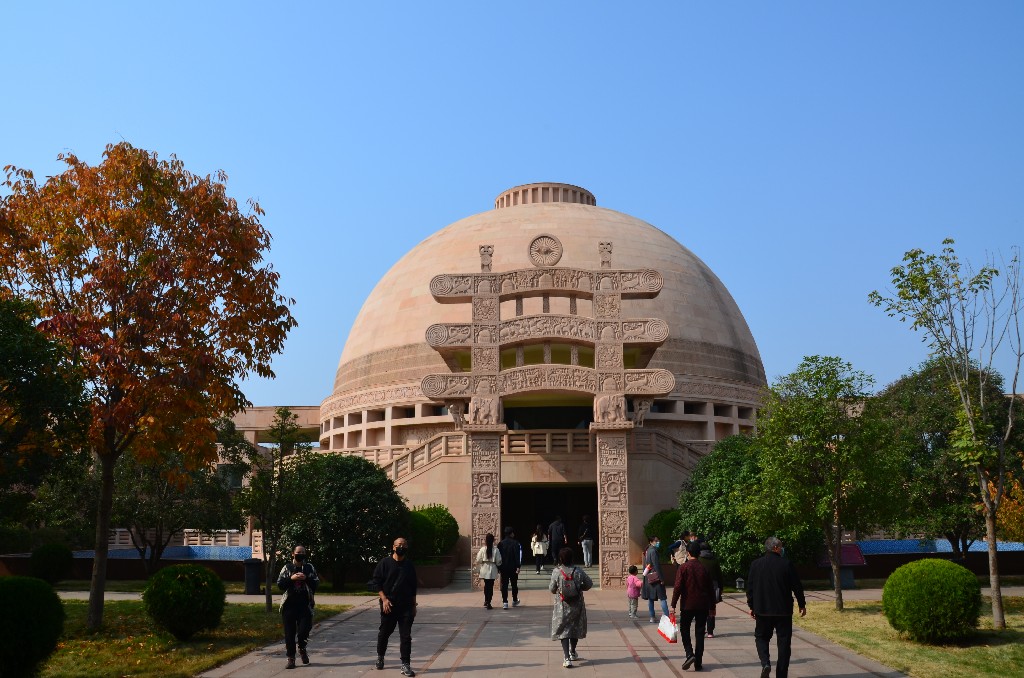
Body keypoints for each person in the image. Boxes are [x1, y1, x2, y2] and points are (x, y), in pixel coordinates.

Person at [746, 536, 806, 678]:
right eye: (781, 546)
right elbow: (797, 586)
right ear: (775, 548)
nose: (782, 548)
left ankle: (765, 663)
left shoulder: (756, 565)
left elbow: (750, 588)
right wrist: (802, 604)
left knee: (761, 637)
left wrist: (752, 605)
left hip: (762, 609)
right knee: (784, 643)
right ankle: (781, 674)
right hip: (783, 610)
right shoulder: (786, 564)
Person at [371, 536, 418, 677]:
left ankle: (405, 664)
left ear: (407, 548)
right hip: (389, 605)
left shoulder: (409, 566)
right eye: (399, 545)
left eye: (404, 545)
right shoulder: (384, 563)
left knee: (406, 636)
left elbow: (413, 586)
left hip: (406, 606)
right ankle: (380, 656)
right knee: (384, 633)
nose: (401, 547)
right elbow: (376, 582)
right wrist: (384, 599)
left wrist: (414, 605)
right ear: (393, 547)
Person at [671, 541, 715, 671]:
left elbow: (678, 587)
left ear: (688, 553)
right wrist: (712, 607)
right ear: (699, 553)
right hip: (702, 605)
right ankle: (698, 663)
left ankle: (689, 653)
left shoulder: (683, 568)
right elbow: (711, 590)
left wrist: (673, 604)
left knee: (685, 630)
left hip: (687, 605)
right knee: (700, 633)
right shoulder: (704, 568)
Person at [549, 546, 593, 668]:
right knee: (575, 628)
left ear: (560, 559)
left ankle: (566, 658)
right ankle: (573, 652)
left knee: (564, 630)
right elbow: (589, 584)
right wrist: (578, 589)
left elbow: (552, 589)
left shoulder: (557, 571)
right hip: (577, 604)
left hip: (562, 604)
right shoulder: (578, 571)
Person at [277, 545, 320, 670]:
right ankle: (291, 658)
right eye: (298, 552)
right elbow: (280, 584)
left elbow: (316, 583)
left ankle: (302, 648)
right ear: (293, 554)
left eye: (302, 552)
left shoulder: (309, 567)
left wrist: (306, 578)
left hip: (305, 605)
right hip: (289, 605)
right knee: (289, 634)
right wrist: (291, 578)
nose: (300, 554)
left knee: (303, 631)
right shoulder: (287, 568)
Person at [698, 540, 725, 638]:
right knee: (711, 609)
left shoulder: (698, 560)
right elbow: (719, 576)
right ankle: (710, 631)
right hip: (713, 586)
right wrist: (721, 588)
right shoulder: (714, 560)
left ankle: (701, 629)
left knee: (701, 609)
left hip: (700, 587)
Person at [641, 534, 670, 623]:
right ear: (651, 542)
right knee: (663, 598)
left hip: (649, 577)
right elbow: (656, 566)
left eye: (658, 540)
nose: (658, 542)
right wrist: (661, 579)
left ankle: (652, 617)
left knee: (651, 598)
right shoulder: (653, 551)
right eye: (656, 541)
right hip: (655, 577)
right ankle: (667, 617)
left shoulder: (647, 550)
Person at [474, 532, 502, 610]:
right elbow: (499, 561)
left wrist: (483, 562)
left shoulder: (483, 549)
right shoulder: (496, 550)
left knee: (486, 586)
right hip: (492, 568)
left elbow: (478, 559)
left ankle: (486, 600)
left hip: (484, 568)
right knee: (490, 586)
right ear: (493, 540)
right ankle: (489, 601)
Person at [497, 526, 522, 609]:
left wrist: (499, 567)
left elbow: (498, 557)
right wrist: (518, 566)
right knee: (514, 584)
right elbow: (517, 556)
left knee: (504, 585)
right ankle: (514, 600)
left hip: (504, 568)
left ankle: (505, 602)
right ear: (511, 533)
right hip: (513, 567)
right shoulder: (515, 543)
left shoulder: (500, 544)